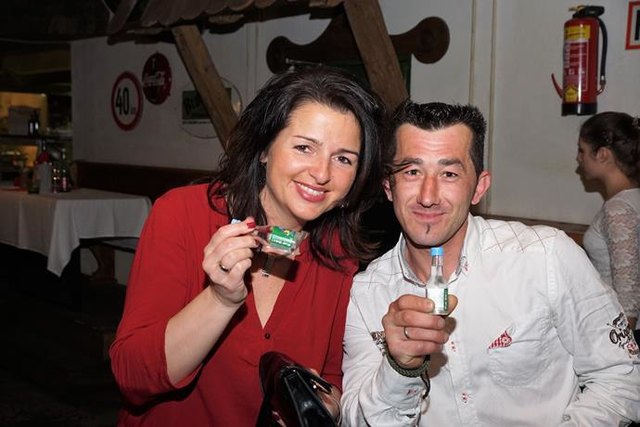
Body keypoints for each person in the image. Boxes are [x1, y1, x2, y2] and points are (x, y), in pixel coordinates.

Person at [109, 66, 385, 425]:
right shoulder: (181, 214)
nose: (322, 173)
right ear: (264, 149)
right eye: (304, 147)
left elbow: (331, 376)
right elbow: (133, 378)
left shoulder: (338, 255)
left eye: (343, 158)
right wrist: (220, 298)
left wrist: (326, 407)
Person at [341, 100, 640, 425]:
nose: (428, 196)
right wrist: (399, 369)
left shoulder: (546, 257)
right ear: (389, 187)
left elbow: (621, 377)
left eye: (449, 173)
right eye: (412, 172)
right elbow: (359, 420)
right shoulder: (366, 295)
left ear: (479, 187)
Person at [577, 112, 640, 339]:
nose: (578, 159)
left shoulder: (618, 208)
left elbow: (627, 293)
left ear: (602, 154)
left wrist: (623, 348)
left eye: (582, 150)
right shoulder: (629, 200)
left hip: (624, 331)